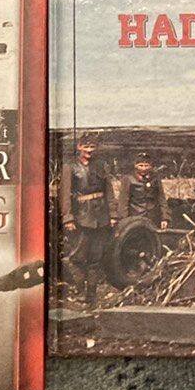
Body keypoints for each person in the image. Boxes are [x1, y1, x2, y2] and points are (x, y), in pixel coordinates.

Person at [60, 131, 113, 307]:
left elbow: (109, 191)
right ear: (79, 147)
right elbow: (65, 195)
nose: (89, 150)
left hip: (101, 218)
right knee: (77, 257)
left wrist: (113, 215)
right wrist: (68, 218)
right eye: (86, 146)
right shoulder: (70, 167)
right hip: (81, 218)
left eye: (92, 147)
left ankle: (91, 296)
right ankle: (79, 291)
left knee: (95, 258)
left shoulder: (101, 166)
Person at [120, 151, 166, 227]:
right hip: (135, 219)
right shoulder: (128, 179)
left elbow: (162, 199)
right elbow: (123, 201)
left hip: (153, 218)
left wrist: (165, 218)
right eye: (140, 165)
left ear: (150, 166)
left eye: (146, 166)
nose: (144, 168)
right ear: (135, 165)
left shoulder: (155, 179)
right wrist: (124, 221)